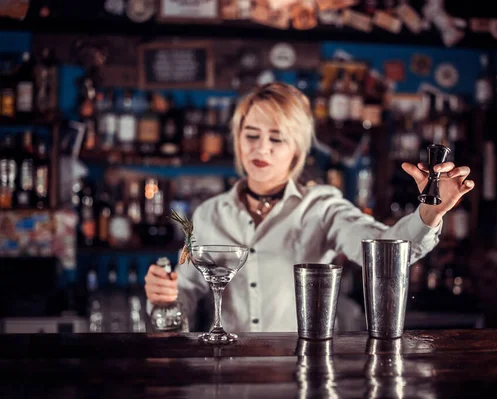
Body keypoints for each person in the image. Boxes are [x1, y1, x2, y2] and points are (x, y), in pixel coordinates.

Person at [144, 82, 475, 332]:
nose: (261, 148)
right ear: (237, 139)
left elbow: (385, 249)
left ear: (297, 149)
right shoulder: (209, 214)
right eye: (251, 135)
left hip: (304, 370)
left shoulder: (322, 207)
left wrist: (431, 212)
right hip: (227, 371)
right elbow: (184, 294)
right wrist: (165, 298)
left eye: (277, 138)